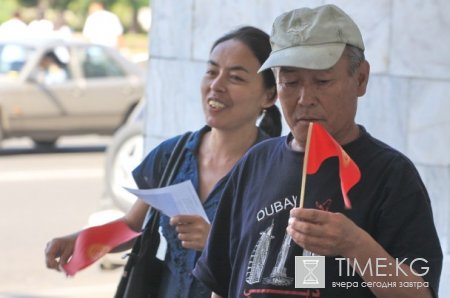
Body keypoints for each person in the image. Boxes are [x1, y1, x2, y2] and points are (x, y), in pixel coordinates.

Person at [193, 4, 443, 298]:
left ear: (360, 79)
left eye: (322, 81)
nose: (305, 99)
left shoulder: (392, 175)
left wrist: (355, 246)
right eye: (290, 82)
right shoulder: (255, 163)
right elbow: (220, 283)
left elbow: (419, 292)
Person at [45, 26, 281, 298]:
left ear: (269, 95)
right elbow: (133, 226)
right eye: (211, 71)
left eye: (236, 77)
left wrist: (215, 244)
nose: (216, 86)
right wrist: (78, 241)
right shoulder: (173, 154)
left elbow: (291, 264)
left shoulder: (277, 168)